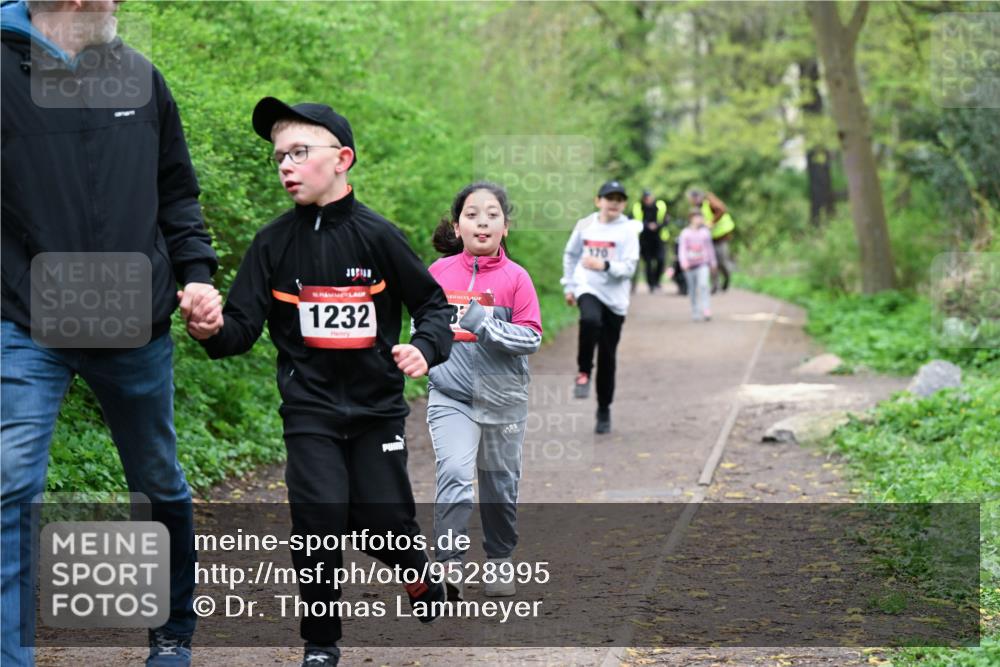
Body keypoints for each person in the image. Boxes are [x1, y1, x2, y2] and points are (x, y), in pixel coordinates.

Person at [190, 97, 453, 667]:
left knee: (383, 519)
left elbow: (432, 305)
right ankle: (321, 643)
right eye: (279, 156)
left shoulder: (378, 236)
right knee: (319, 519)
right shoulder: (272, 244)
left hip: (376, 407)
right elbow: (239, 330)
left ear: (342, 159)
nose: (285, 165)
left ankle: (415, 575)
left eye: (299, 152)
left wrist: (424, 349)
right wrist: (208, 328)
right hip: (308, 409)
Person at [1, 2, 220, 665]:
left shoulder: (142, 77)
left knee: (156, 477)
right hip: (26, 321)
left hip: (136, 321)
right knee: (10, 482)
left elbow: (178, 194)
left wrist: (199, 275)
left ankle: (173, 633)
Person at [423, 182, 542, 602]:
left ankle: (499, 559)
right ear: (457, 227)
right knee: (454, 472)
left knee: (498, 484)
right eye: (472, 214)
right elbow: (425, 329)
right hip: (450, 395)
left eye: (492, 214)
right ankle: (450, 563)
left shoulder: (517, 279)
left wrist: (485, 323)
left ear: (505, 227)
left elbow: (531, 338)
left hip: (503, 398)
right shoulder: (437, 274)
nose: (482, 221)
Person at [561, 181, 639, 434]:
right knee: (590, 320)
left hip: (615, 299)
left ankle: (604, 408)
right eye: (609, 198)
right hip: (588, 288)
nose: (614, 202)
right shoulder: (585, 225)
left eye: (619, 198)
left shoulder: (627, 230)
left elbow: (629, 268)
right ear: (598, 201)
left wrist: (604, 266)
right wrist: (569, 286)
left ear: (624, 204)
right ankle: (583, 371)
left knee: (608, 356)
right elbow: (571, 255)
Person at [686, 188, 735, 293]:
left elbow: (722, 209)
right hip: (709, 237)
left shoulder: (709, 200)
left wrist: (712, 222)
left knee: (721, 261)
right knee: (711, 262)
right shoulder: (697, 207)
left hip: (722, 235)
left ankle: (727, 278)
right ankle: (714, 285)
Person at [678, 211, 718, 322]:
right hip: (690, 266)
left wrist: (713, 262)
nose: (699, 219)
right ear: (691, 218)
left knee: (704, 285)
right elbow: (682, 249)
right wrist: (683, 262)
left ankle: (706, 309)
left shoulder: (705, 233)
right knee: (692, 289)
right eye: (697, 217)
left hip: (702, 264)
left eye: (700, 217)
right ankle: (695, 310)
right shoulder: (685, 233)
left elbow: (710, 248)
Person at [631, 190, 668, 293]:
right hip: (644, 239)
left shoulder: (661, 205)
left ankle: (656, 282)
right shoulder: (638, 207)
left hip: (659, 238)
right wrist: (647, 225)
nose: (648, 200)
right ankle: (651, 285)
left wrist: (657, 226)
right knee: (648, 263)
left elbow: (666, 220)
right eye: (646, 198)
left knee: (661, 260)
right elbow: (635, 220)